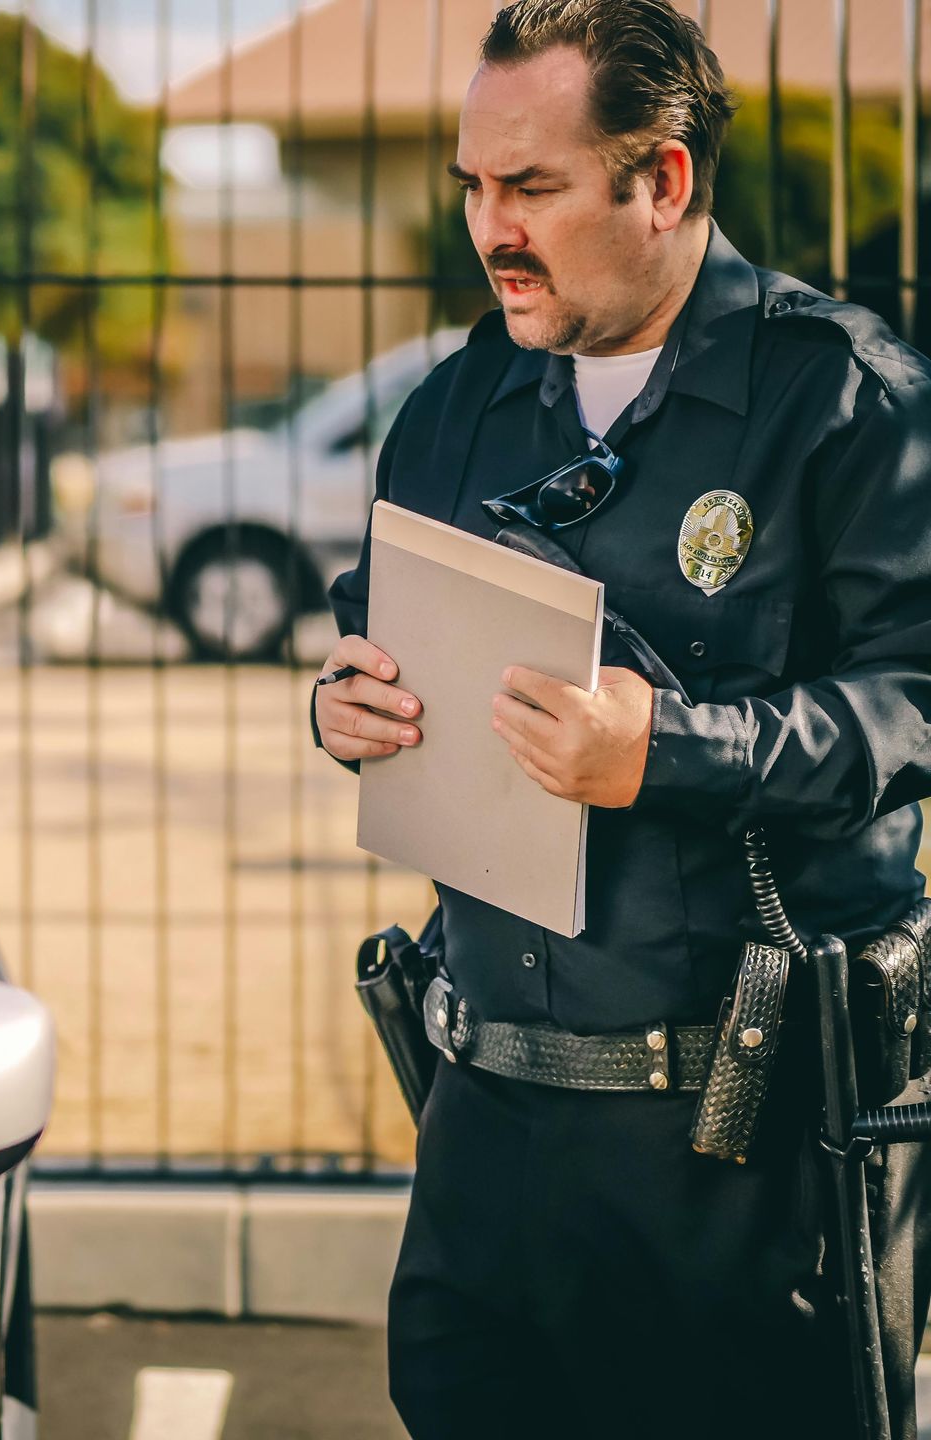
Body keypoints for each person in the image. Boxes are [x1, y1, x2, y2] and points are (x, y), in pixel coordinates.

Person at [314, 2, 931, 1434]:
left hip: (745, 1160)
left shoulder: (842, 401)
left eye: (531, 187)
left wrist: (667, 752)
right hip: (487, 1138)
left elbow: (914, 700)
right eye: (473, 185)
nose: (489, 227)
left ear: (661, 180)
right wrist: (343, 706)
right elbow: (378, 631)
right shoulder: (455, 409)